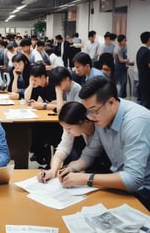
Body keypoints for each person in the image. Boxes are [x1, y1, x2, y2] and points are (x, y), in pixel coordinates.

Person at [59, 76, 150, 211]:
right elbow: (90, 153)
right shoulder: (102, 118)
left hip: (143, 192)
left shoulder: (135, 122)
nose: (90, 117)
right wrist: (73, 169)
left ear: (111, 102)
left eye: (93, 110)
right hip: (120, 185)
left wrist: (85, 178)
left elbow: (133, 180)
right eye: (87, 112)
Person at [38, 102, 110, 183]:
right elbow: (63, 149)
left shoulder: (100, 129)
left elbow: (88, 156)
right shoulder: (72, 125)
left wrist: (73, 168)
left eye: (69, 129)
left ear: (82, 121)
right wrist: (52, 171)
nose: (67, 132)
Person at [136, 31, 150, 109]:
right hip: (147, 80)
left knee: (143, 100)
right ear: (149, 39)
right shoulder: (147, 52)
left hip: (141, 79)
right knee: (147, 102)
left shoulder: (140, 50)